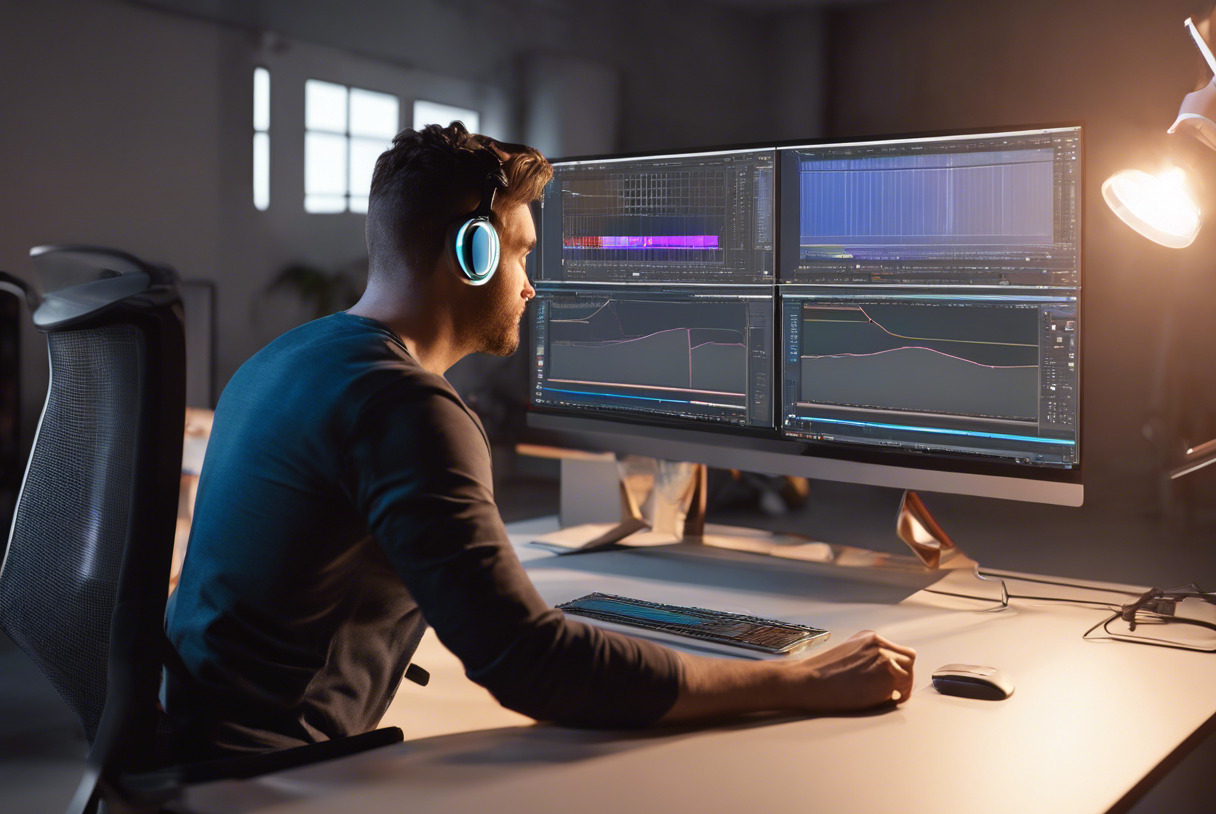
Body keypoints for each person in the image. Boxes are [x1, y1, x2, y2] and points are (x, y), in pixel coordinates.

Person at [163, 122, 916, 759]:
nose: (531, 285)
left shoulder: (286, 359)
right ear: (472, 254)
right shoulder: (406, 407)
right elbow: (531, 664)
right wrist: (798, 680)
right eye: (521, 252)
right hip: (276, 780)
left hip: (195, 737)